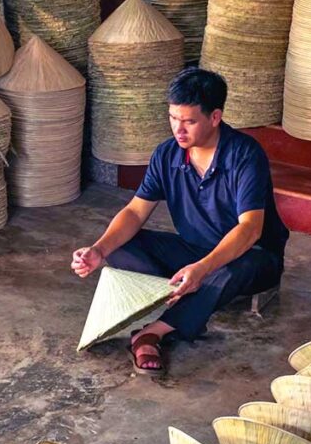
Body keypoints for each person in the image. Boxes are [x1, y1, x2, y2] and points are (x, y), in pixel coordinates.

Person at [72, 68, 289, 375]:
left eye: (189, 121)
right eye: (173, 118)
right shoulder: (167, 154)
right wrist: (98, 249)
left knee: (230, 269)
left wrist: (202, 268)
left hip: (251, 256)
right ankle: (192, 290)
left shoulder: (244, 154)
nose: (178, 129)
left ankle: (152, 332)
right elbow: (135, 212)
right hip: (194, 249)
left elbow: (250, 229)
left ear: (215, 117)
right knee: (119, 246)